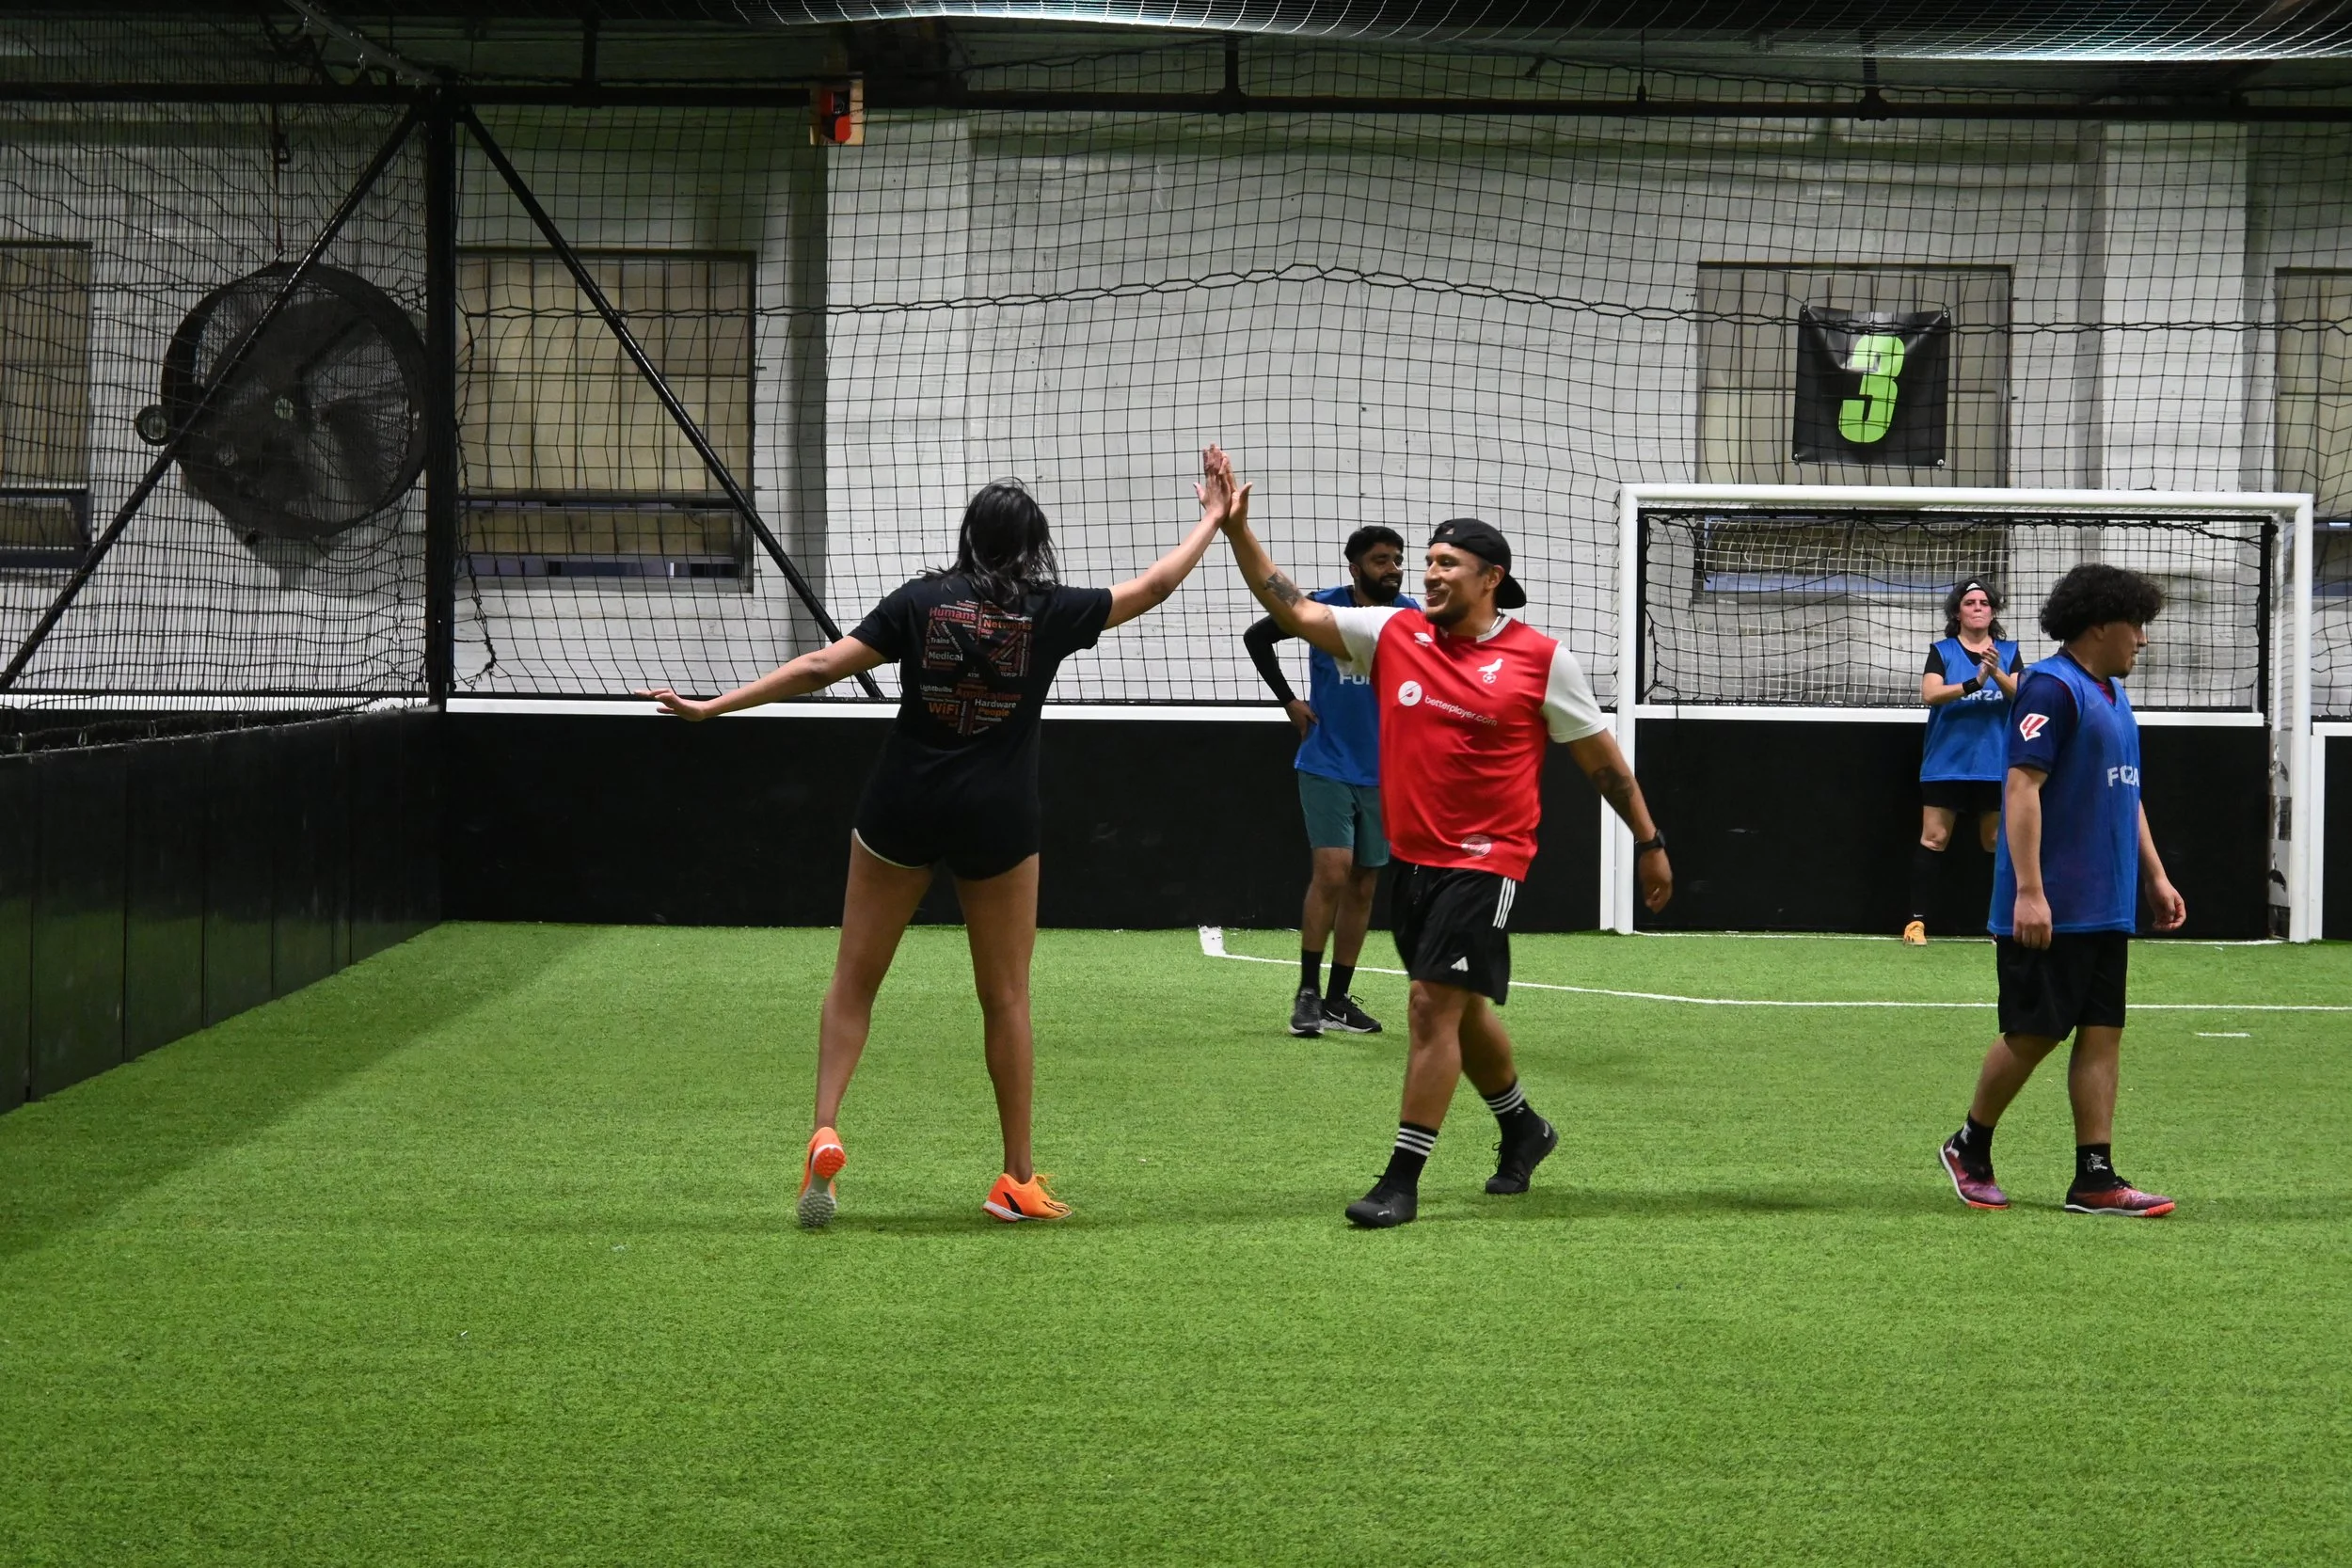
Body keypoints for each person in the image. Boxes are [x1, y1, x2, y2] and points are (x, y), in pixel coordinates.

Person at [642, 450, 1248, 1229]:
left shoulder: (919, 600)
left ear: (969, 534)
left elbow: (822, 664)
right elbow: (1157, 586)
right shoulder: (1049, 610)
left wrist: (711, 706)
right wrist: (1211, 518)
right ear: (1033, 545)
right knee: (1006, 997)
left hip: (902, 807)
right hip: (998, 818)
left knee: (853, 984)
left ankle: (825, 1127)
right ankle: (1015, 1179)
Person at [1217, 502, 1674, 1228]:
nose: (1427, 574)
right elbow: (1293, 607)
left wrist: (1649, 843)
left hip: (1489, 860)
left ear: (1490, 579)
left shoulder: (1542, 659)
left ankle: (1401, 1179)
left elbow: (1604, 766)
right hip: (1416, 860)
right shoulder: (1393, 632)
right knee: (1460, 1011)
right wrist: (1235, 530)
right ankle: (1524, 1127)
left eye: (1445, 564)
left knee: (1430, 1005)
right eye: (1426, 562)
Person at [1938, 563, 2186, 1218]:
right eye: (2137, 625)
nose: (2143, 639)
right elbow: (2021, 788)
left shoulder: (2110, 692)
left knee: (2103, 1034)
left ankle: (2094, 1178)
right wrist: (2029, 891)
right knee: (2033, 1032)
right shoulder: (2052, 687)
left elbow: (2125, 791)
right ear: (2100, 624)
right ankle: (1970, 1145)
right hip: (2053, 904)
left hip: (2107, 904)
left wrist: (2155, 876)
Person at [1241, 526, 1418, 1038]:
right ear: (1355, 567)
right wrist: (1288, 700)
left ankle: (1339, 999)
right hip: (1325, 762)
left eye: (1397, 559)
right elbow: (1258, 637)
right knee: (1334, 871)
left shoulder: (1409, 618)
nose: (1393, 568)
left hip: (1385, 771)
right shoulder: (1321, 608)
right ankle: (1307, 992)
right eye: (1381, 560)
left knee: (1365, 881)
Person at [1906, 578, 2022, 944]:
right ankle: (1916, 922)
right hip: (1946, 763)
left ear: (1992, 611)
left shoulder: (2008, 650)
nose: (1977, 607)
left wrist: (1995, 672)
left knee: (1994, 842)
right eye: (1969, 602)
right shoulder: (1942, 651)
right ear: (1958, 611)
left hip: (1994, 765)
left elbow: (2021, 693)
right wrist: (1974, 683)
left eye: (1983, 602)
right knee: (1935, 838)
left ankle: (2001, 925)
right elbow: (1930, 694)